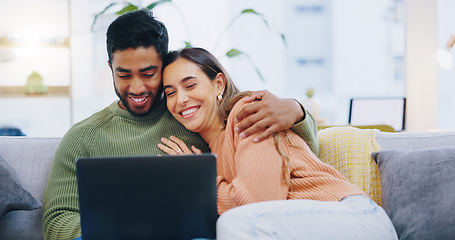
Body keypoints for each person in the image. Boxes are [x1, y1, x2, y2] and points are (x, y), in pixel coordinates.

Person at [42, 10, 319, 240]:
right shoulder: (82, 136)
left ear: (164, 66)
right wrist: (121, 233)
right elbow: (57, 220)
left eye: (149, 74)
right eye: (123, 74)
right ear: (110, 67)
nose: (136, 87)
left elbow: (287, 152)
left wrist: (296, 110)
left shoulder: (192, 115)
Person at [158, 47, 398, 240]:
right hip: (299, 225)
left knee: (235, 223)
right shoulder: (213, 150)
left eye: (190, 85)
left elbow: (256, 202)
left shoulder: (248, 114)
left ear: (219, 84)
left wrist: (199, 184)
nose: (181, 99)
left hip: (354, 217)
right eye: (170, 93)